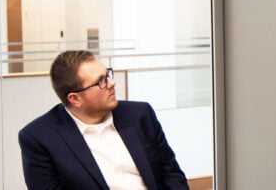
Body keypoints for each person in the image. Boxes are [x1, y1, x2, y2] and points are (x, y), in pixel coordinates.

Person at [19, 50, 188, 189]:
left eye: (107, 74)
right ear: (75, 99)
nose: (112, 83)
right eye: (101, 81)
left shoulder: (140, 114)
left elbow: (172, 175)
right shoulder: (39, 138)